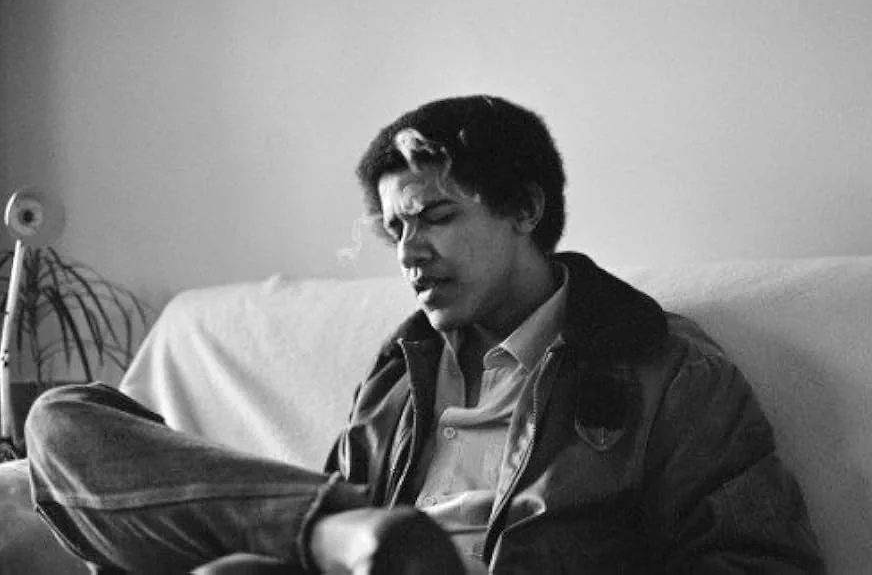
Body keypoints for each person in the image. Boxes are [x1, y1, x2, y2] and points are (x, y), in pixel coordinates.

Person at [25, 95, 825, 574]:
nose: (409, 253)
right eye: (397, 229)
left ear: (524, 208)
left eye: (436, 216)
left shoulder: (664, 369)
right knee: (60, 421)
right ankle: (338, 524)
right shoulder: (398, 375)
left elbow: (761, 562)